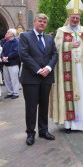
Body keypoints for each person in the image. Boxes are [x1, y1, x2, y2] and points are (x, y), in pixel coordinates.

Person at [51, 0, 83, 133]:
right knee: (70, 94)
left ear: (80, 18)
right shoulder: (62, 31)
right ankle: (69, 124)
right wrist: (70, 45)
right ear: (69, 17)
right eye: (73, 17)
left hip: (82, 69)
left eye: (77, 17)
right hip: (68, 71)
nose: (75, 19)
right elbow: (56, 48)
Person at [18, 13, 58, 146]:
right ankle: (30, 133)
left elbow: (54, 54)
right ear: (34, 22)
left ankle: (43, 130)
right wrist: (38, 69)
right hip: (31, 78)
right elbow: (24, 54)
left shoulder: (49, 38)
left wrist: (48, 68)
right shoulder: (25, 36)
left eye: (44, 22)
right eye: (40, 21)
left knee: (44, 105)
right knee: (31, 107)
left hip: (46, 78)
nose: (42, 23)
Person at [0, 29, 20, 99]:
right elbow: (3, 51)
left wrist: (7, 57)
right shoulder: (6, 42)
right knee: (7, 79)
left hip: (13, 63)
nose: (6, 33)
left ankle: (16, 93)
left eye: (8, 32)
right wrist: (2, 57)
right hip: (6, 64)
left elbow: (16, 52)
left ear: (12, 34)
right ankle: (10, 92)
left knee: (14, 79)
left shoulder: (17, 42)